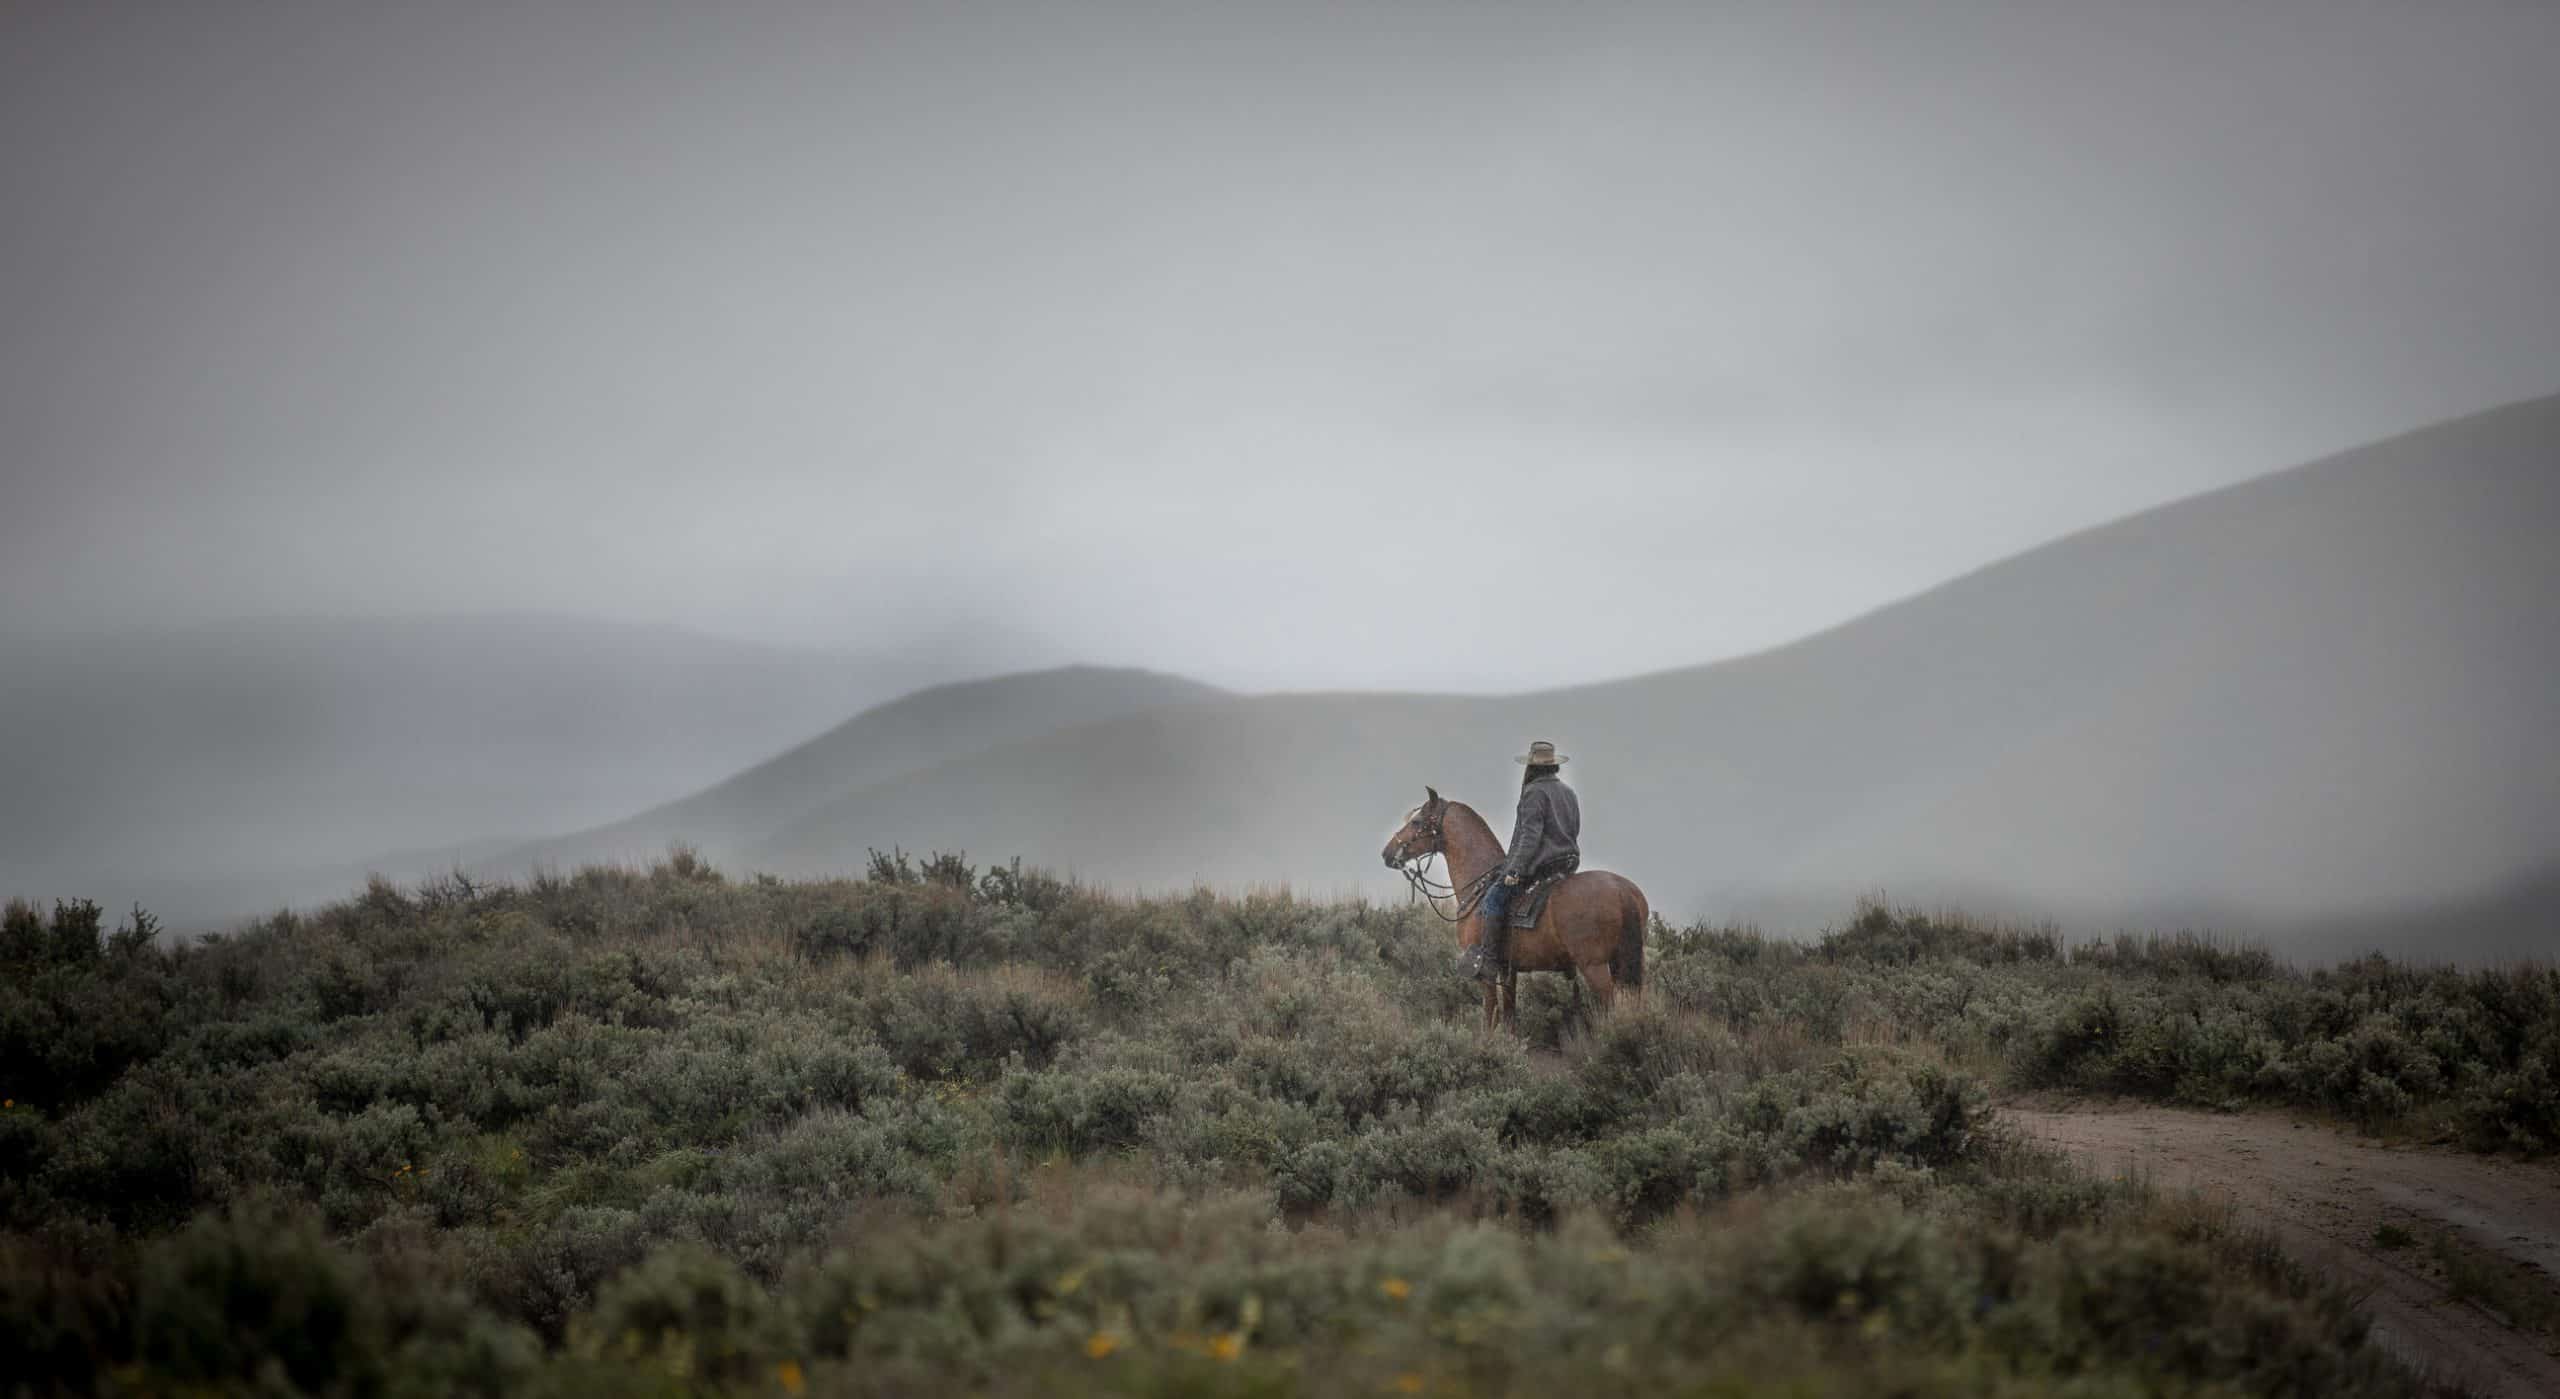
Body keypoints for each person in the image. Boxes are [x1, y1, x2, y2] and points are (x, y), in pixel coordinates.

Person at [1467, 739, 1581, 983]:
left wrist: (1515, 870)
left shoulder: (1533, 793)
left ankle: (1488, 961)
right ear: (1553, 767)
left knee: (1493, 899)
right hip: (1566, 866)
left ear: (1532, 767)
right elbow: (1574, 829)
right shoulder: (1569, 793)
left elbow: (1530, 837)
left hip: (1541, 866)